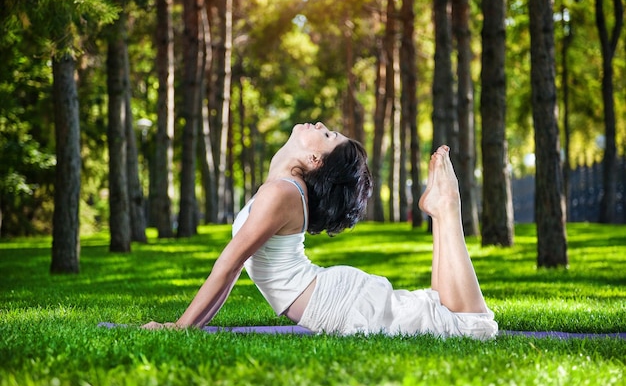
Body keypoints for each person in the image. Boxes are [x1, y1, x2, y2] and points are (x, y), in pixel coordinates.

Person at [143, 122, 498, 339]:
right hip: (338, 296)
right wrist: (188, 327)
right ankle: (441, 210)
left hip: (340, 301)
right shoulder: (283, 190)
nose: (318, 125)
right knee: (448, 315)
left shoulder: (281, 192)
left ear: (315, 161)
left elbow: (229, 266)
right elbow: (231, 270)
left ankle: (447, 206)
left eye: (326, 135)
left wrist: (181, 327)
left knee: (471, 328)